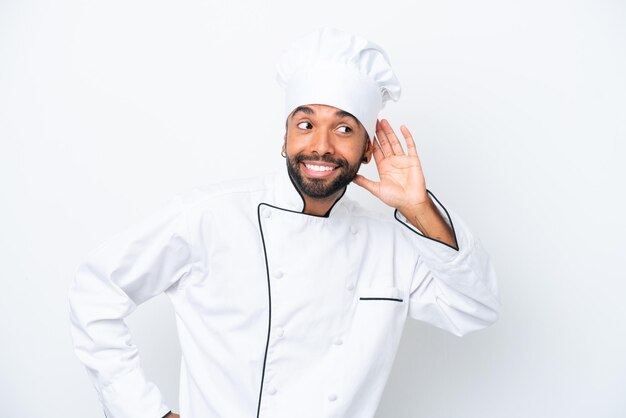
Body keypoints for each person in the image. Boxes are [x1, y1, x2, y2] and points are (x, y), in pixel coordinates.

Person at [68, 27, 500, 418]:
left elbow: (474, 307)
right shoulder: (211, 217)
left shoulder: (387, 241)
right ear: (285, 136)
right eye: (306, 123)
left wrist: (418, 206)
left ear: (368, 149)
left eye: (345, 129)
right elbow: (97, 290)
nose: (321, 146)